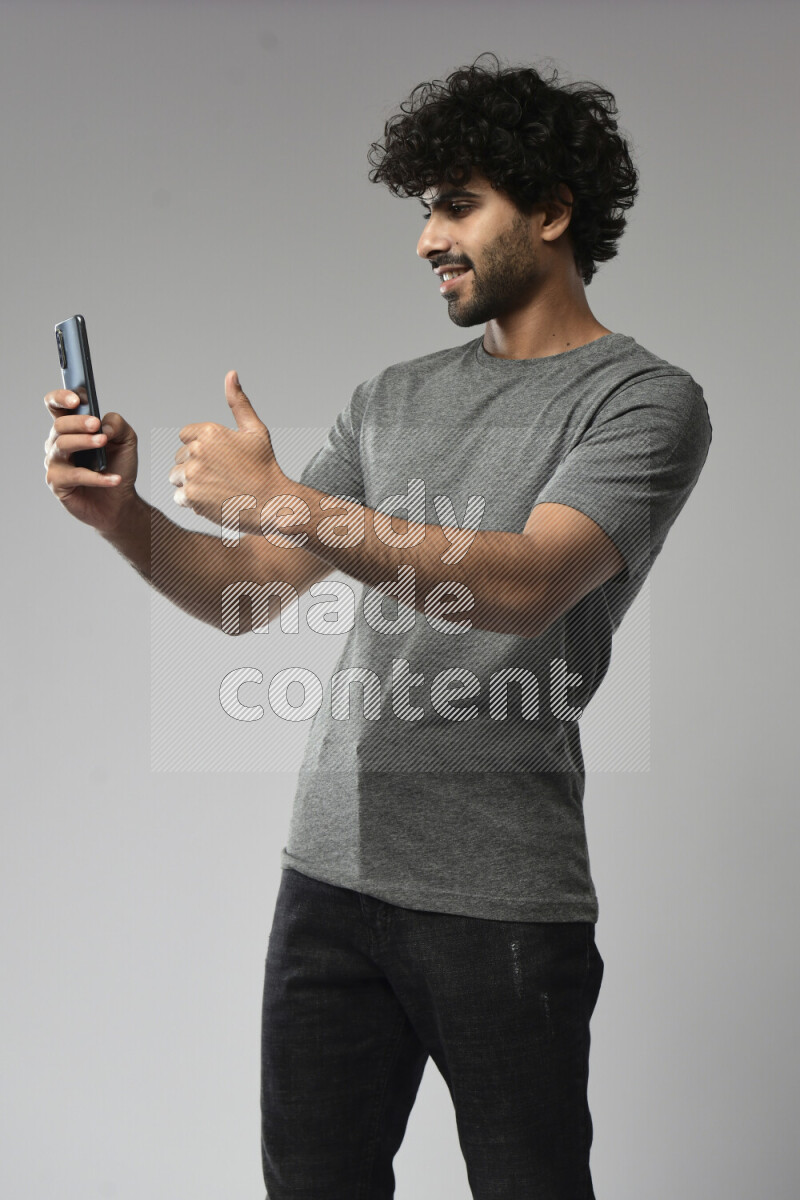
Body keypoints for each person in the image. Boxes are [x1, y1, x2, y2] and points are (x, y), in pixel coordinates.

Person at [44, 52, 712, 1200]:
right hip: (329, 880)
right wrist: (123, 519)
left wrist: (285, 500)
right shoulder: (389, 398)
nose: (425, 239)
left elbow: (526, 584)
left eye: (457, 205)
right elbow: (245, 593)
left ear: (550, 211)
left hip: (502, 900)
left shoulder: (642, 402)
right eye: (425, 210)